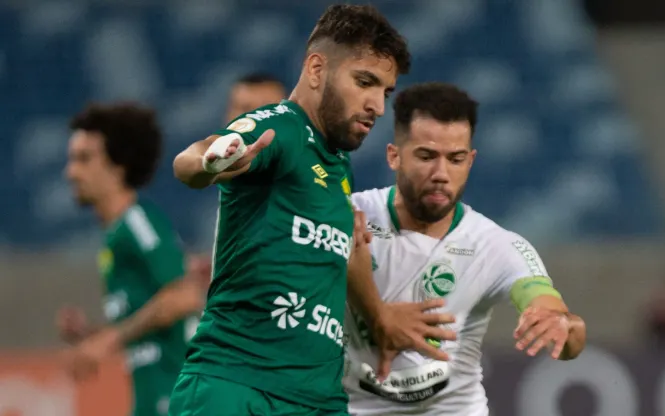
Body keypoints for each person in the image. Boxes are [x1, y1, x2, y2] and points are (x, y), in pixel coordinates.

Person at [169, 4, 456, 416]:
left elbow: (346, 248)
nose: (377, 105)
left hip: (317, 399)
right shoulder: (281, 128)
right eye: (365, 82)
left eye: (385, 92)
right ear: (317, 69)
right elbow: (190, 161)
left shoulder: (338, 166)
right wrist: (212, 161)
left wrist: (379, 317)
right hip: (238, 387)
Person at [344, 83, 588, 415]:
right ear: (394, 156)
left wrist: (562, 325)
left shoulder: (496, 245)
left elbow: (558, 321)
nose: (441, 174)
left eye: (455, 159)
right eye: (426, 156)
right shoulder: (349, 216)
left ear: (470, 161)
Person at [60, 103, 210, 416]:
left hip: (177, 399)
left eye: (84, 159)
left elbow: (183, 296)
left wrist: (108, 340)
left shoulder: (137, 223)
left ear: (118, 166)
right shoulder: (117, 237)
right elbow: (149, 320)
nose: (70, 172)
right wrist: (93, 335)